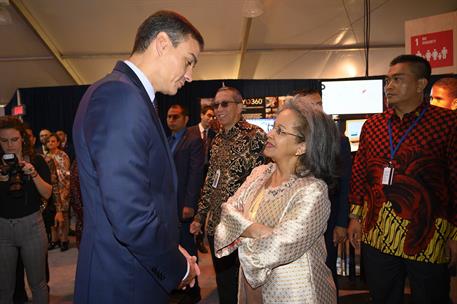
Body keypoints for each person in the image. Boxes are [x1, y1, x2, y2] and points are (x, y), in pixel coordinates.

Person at [72, 10, 204, 304]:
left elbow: (147, 195)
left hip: (131, 271)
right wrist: (179, 267)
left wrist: (171, 250)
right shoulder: (119, 97)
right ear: (161, 43)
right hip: (123, 281)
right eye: (189, 60)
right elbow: (130, 213)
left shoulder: (131, 96)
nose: (190, 75)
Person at [347, 54, 457, 304]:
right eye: (388, 80)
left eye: (398, 79)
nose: (389, 86)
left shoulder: (447, 123)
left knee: (432, 297)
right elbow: (360, 172)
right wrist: (355, 216)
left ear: (420, 84)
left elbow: (454, 180)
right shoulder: (373, 125)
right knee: (383, 296)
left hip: (428, 234)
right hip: (377, 231)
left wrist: (455, 235)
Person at [214, 98, 339, 303]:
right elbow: (227, 213)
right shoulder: (259, 173)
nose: (269, 134)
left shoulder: (313, 191)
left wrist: (242, 230)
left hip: (296, 294)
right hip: (251, 290)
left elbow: (277, 248)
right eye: (273, 128)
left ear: (302, 146)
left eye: (280, 131)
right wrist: (258, 231)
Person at [191, 86, 267, 304]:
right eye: (216, 105)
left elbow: (263, 183)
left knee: (245, 287)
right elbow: (210, 182)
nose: (219, 109)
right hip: (217, 226)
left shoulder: (255, 137)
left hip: (242, 227)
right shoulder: (216, 141)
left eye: (225, 104)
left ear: (240, 106)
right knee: (225, 285)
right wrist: (199, 216)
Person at [293, 88, 351, 290]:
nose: (318, 109)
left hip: (329, 220)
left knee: (326, 272)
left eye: (319, 104)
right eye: (311, 105)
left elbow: (345, 184)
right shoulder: (292, 141)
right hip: (297, 221)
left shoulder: (339, 140)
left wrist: (342, 223)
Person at [0, 116, 52, 304]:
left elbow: (47, 193)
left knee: (38, 283)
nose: (10, 145)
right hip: (3, 230)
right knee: (4, 287)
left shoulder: (36, 160)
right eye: (4, 141)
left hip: (32, 227)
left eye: (14, 139)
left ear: (22, 138)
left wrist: (33, 173)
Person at [166, 104, 205, 304]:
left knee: (188, 247)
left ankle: (193, 290)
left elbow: (196, 174)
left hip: (184, 205)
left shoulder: (193, 140)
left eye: (175, 117)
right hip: (169, 206)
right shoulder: (167, 140)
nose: (171, 120)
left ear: (185, 119)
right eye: (169, 117)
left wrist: (189, 203)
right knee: (173, 246)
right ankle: (178, 285)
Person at [188, 105, 217, 254]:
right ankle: (194, 237)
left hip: (208, 175)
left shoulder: (215, 134)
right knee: (194, 206)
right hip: (193, 175)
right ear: (202, 115)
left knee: (204, 207)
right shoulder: (190, 132)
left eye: (213, 117)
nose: (211, 119)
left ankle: (200, 239)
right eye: (209, 115)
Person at [45, 133, 71, 252]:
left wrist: (55, 172)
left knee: (64, 215)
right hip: (51, 189)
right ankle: (54, 240)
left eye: (53, 141)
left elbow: (66, 173)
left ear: (58, 143)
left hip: (63, 189)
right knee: (52, 215)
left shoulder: (63, 155)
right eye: (49, 141)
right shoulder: (45, 157)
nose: (50, 143)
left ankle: (64, 240)